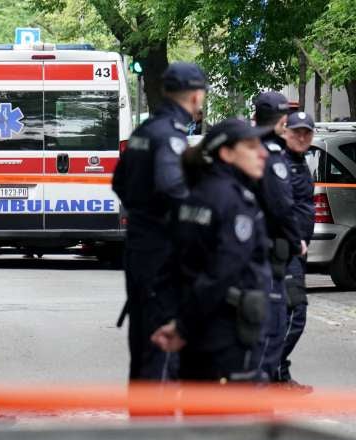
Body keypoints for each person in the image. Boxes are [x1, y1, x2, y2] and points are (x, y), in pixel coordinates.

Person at [151, 118, 272, 382]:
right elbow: (222, 272)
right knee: (229, 420)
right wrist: (182, 327)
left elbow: (169, 268)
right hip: (227, 337)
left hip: (196, 335)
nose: (263, 152)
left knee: (199, 416)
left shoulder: (195, 196)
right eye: (251, 146)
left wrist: (175, 321)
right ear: (226, 153)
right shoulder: (235, 202)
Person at [111, 62, 207, 381]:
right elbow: (173, 188)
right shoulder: (170, 138)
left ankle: (143, 425)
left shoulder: (143, 132)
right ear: (195, 96)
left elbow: (120, 183)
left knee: (142, 348)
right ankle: (158, 427)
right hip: (163, 256)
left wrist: (142, 214)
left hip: (139, 250)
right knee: (163, 350)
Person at [252, 92, 303, 382]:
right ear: (282, 120)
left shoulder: (243, 147)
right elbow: (283, 207)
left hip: (242, 251)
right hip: (269, 252)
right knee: (272, 326)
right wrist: (297, 242)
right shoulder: (272, 154)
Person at [278, 111, 316, 391]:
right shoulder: (281, 165)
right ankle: (270, 369)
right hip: (285, 249)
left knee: (284, 314)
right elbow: (280, 209)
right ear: (285, 133)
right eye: (297, 131)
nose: (302, 137)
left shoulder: (301, 162)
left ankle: (277, 373)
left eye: (307, 132)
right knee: (296, 312)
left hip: (297, 249)